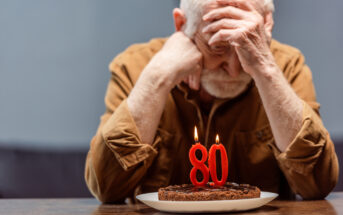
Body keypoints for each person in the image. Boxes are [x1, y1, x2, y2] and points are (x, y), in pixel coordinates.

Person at [85, 0, 339, 203]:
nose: (233, 68)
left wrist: (264, 68)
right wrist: (157, 78)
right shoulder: (134, 66)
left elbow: (317, 184)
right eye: (218, 48)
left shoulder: (286, 66)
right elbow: (107, 188)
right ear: (181, 24)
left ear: (267, 24)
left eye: (245, 45)